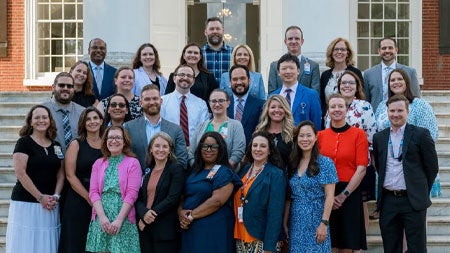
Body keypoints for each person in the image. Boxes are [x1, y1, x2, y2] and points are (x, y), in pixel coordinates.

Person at [373, 95, 438, 253]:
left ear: (407, 112)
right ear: (387, 112)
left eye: (400, 110)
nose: (396, 114)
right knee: (391, 246)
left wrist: (419, 189)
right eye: (392, 110)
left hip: (412, 200)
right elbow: (380, 167)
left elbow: (432, 167)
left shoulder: (421, 134)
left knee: (417, 247)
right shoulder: (379, 138)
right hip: (388, 201)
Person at [6, 105, 64, 253]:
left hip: (50, 203)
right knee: (26, 244)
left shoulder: (56, 145)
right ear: (30, 122)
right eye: (37, 117)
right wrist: (40, 198)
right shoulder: (24, 142)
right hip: (27, 204)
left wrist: (56, 196)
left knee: (45, 244)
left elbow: (61, 173)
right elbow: (20, 173)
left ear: (50, 121)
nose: (41, 120)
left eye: (44, 117)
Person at [374, 68, 440, 197]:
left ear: (407, 82)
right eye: (392, 80)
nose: (396, 82)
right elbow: (377, 133)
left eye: (400, 79)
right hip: (389, 165)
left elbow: (431, 135)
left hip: (413, 164)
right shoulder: (382, 106)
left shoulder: (420, 105)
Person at [324, 71, 377, 232]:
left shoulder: (364, 106)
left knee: (360, 205)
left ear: (357, 87)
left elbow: (372, 136)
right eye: (344, 83)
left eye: (351, 83)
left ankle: (360, 242)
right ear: (339, 86)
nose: (347, 86)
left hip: (360, 164)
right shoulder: (332, 107)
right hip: (337, 165)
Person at [317, 94, 368, 252]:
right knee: (330, 242)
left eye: (340, 106)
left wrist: (343, 195)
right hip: (325, 192)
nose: (337, 109)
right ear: (328, 111)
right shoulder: (320, 136)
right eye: (333, 106)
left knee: (347, 243)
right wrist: (330, 197)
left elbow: (361, 168)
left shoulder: (358, 134)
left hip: (349, 192)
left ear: (347, 110)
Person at [179, 131, 242, 253]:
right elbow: (182, 197)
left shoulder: (224, 172)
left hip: (213, 230)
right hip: (191, 229)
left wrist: (191, 216)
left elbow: (217, 201)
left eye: (213, 146)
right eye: (205, 146)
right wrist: (180, 213)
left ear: (221, 149)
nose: (208, 149)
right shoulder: (193, 172)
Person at [85, 125, 142, 253]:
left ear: (124, 141)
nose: (114, 140)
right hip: (101, 217)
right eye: (110, 137)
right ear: (105, 141)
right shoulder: (98, 163)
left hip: (123, 218)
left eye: (118, 137)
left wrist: (119, 220)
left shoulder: (133, 163)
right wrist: (102, 217)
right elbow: (93, 192)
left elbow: (132, 194)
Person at [285, 121, 338, 253]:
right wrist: (285, 223)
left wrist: (324, 224)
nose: (305, 139)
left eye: (309, 135)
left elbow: (330, 196)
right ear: (296, 139)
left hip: (316, 220)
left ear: (315, 138)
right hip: (296, 221)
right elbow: (288, 197)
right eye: (301, 136)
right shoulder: (292, 163)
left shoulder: (325, 163)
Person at [58, 107, 105, 253]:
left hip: (102, 198)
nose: (92, 122)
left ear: (101, 121)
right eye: (88, 119)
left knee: (95, 244)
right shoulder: (76, 144)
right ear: (83, 124)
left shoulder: (107, 144)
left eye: (95, 118)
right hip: (78, 198)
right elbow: (70, 175)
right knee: (75, 242)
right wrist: (89, 197)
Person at [234, 131, 286, 253]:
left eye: (263, 146)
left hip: (261, 238)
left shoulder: (276, 174)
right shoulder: (245, 169)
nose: (258, 149)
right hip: (240, 234)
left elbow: (275, 213)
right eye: (255, 145)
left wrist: (269, 246)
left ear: (269, 151)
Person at [135, 132, 185, 253]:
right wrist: (143, 214)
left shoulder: (176, 169)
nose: (161, 150)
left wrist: (148, 216)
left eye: (165, 146)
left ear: (170, 150)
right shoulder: (148, 171)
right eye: (157, 146)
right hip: (146, 230)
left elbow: (172, 198)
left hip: (165, 230)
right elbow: (139, 198)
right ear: (151, 149)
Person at [124, 84, 188, 170]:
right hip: (137, 179)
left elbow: (181, 161)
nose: (151, 102)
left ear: (161, 101)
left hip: (167, 180)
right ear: (141, 103)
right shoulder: (128, 127)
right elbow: (125, 157)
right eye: (147, 99)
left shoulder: (176, 129)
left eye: (155, 98)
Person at [188, 89, 246, 169]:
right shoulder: (201, 126)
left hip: (225, 174)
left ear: (228, 103)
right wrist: (198, 169)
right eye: (214, 101)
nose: (217, 104)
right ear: (209, 103)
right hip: (201, 174)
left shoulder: (236, 125)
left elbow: (238, 152)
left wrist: (220, 171)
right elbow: (191, 153)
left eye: (221, 101)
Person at [363, 37, 421, 112]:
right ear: (379, 51)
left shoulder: (410, 72)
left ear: (396, 50)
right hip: (377, 118)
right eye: (384, 48)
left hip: (404, 117)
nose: (387, 51)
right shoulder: (368, 74)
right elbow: (366, 100)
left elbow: (416, 98)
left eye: (390, 48)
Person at [161, 64, 209, 147]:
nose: (185, 78)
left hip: (193, 151)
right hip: (168, 150)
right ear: (174, 78)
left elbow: (203, 131)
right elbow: (159, 128)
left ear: (193, 81)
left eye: (189, 76)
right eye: (182, 74)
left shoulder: (201, 104)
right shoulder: (162, 101)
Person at [269, 53, 322, 128]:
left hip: (302, 138)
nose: (288, 72)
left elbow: (317, 125)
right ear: (278, 72)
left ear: (298, 71)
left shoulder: (311, 95)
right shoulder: (272, 97)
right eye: (284, 68)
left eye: (291, 68)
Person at [268, 25, 320, 95]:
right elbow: (272, 94)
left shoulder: (313, 66)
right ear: (285, 41)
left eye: (297, 38)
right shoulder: (274, 66)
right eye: (290, 39)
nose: (293, 41)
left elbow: (315, 93)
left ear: (302, 41)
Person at [320, 38, 363, 120]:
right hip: (329, 119)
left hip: (352, 118)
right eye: (336, 49)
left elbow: (361, 95)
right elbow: (322, 100)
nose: (339, 52)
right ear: (331, 53)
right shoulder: (325, 75)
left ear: (347, 53)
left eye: (342, 49)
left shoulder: (355, 72)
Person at [42, 72, 85, 154]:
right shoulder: (40, 111)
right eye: (61, 85)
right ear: (53, 87)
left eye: (69, 86)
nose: (66, 88)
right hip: (49, 162)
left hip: (77, 162)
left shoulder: (83, 112)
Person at [226, 65, 265, 146]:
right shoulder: (223, 105)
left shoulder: (261, 105)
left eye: (242, 78)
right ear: (230, 82)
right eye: (235, 79)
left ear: (249, 81)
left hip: (251, 154)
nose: (239, 82)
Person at [255, 95, 294, 168]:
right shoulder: (259, 132)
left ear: (285, 110)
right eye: (273, 107)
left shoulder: (293, 134)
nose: (276, 110)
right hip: (262, 177)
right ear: (267, 110)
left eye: (281, 107)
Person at [201, 17, 233, 84]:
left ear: (223, 32)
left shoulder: (233, 53)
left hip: (227, 94)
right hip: (205, 94)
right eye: (211, 29)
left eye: (218, 29)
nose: (215, 31)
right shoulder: (199, 54)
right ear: (205, 32)